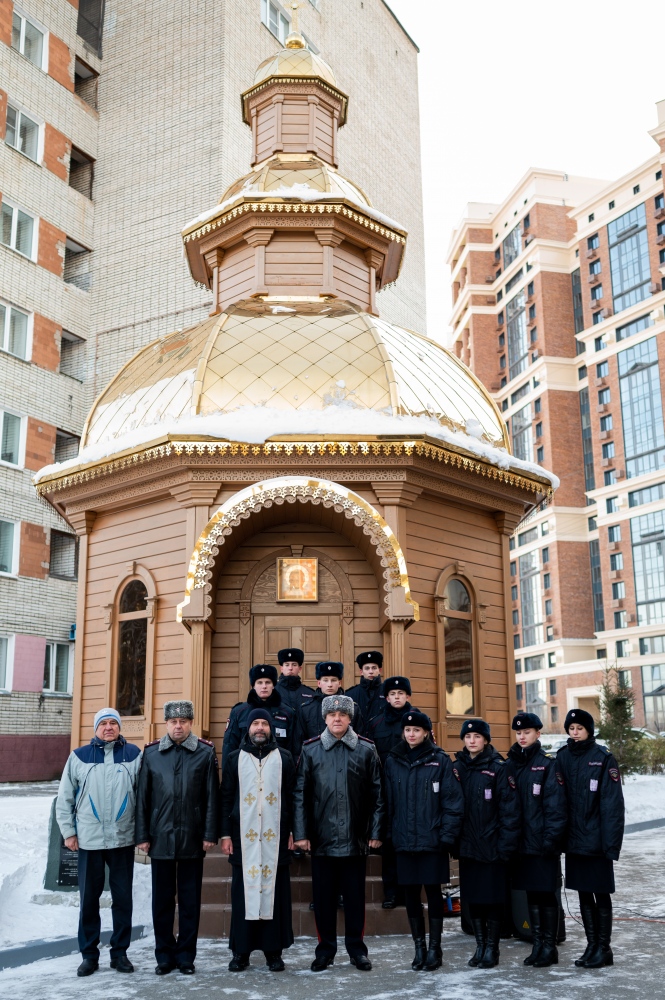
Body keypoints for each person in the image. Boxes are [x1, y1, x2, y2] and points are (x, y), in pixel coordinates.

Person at [293, 694, 384, 972]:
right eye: (332, 715)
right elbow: (300, 795)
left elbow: (378, 795)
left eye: (342, 715)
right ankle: (325, 951)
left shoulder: (366, 749)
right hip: (322, 839)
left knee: (355, 900)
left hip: (356, 839)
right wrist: (301, 833)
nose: (337, 719)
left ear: (349, 718)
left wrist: (375, 831)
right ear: (325, 718)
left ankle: (357, 951)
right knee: (323, 901)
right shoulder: (310, 750)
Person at [56, 707, 142, 977]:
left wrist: (142, 834)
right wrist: (69, 832)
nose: (108, 727)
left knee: (123, 899)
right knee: (89, 900)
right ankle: (89, 956)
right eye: (103, 723)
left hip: (122, 838)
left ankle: (120, 954)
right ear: (96, 728)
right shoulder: (79, 757)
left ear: (119, 727)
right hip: (89, 840)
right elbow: (64, 798)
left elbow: (143, 797)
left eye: (113, 723)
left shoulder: (134, 755)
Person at [135, 701, 219, 976]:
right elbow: (143, 798)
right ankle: (164, 956)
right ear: (166, 724)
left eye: (183, 721)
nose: (178, 726)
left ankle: (185, 957)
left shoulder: (205, 752)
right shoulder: (151, 753)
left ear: (191, 723)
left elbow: (211, 796)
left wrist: (209, 833)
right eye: (173, 722)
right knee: (162, 902)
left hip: (192, 838)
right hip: (160, 838)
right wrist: (142, 835)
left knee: (189, 902)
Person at [384, 711, 464, 971]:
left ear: (426, 733)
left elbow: (452, 802)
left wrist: (447, 836)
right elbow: (387, 801)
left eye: (417, 730)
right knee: (410, 895)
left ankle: (435, 948)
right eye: (408, 730)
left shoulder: (440, 760)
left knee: (432, 893)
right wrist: (389, 833)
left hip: (432, 840)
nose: (411, 734)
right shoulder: (393, 760)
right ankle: (419, 948)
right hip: (403, 840)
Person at [220, 709, 296, 972]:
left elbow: (292, 796)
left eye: (265, 723)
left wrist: (293, 831)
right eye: (256, 723)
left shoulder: (284, 758)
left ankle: (273, 952)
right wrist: (225, 834)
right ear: (248, 729)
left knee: (276, 896)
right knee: (244, 895)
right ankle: (241, 952)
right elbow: (226, 797)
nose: (260, 727)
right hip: (243, 839)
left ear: (271, 728)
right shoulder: (234, 758)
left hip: (276, 838)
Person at [556, 708, 625, 969]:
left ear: (589, 731)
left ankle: (604, 949)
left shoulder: (603, 758)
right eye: (571, 728)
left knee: (601, 893)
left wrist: (610, 844)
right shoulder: (562, 757)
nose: (575, 733)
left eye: (580, 728)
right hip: (574, 841)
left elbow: (612, 805)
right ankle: (591, 945)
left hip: (596, 842)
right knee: (584, 894)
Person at [454, 718, 520, 969]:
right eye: (468, 737)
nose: (472, 741)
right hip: (467, 846)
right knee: (474, 899)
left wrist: (505, 845)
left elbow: (509, 810)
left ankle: (492, 948)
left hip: (492, 846)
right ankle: (480, 946)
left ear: (485, 740)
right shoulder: (457, 767)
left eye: (477, 737)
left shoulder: (498, 768)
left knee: (492, 899)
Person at [506, 712, 567, 967]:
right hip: (521, 845)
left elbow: (556, 806)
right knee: (531, 894)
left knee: (546, 894)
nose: (522, 737)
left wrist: (551, 840)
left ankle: (549, 947)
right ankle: (538, 944)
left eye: (527, 732)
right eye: (519, 733)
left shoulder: (547, 764)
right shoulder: (511, 764)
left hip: (542, 844)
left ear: (538, 734)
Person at [366, 675, 416, 908]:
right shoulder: (376, 723)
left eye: (401, 694)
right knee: (389, 841)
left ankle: (408, 892)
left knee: (409, 842)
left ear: (408, 696)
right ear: (386, 698)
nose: (397, 697)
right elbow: (370, 756)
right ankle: (391, 893)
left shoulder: (418, 720)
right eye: (392, 694)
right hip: (385, 790)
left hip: (411, 788)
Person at [223, 665, 295, 765]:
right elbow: (229, 747)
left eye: (268, 682)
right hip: (245, 768)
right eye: (259, 682)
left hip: (278, 768)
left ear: (273, 685)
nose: (264, 686)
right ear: (253, 685)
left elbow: (293, 748)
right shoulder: (239, 712)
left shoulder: (287, 713)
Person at [294, 660, 362, 747]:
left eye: (333, 680)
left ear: (339, 683)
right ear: (319, 683)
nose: (330, 684)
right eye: (325, 680)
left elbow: (359, 739)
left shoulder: (352, 708)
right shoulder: (306, 709)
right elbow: (299, 742)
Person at [346, 651, 385, 733]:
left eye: (374, 668)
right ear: (361, 672)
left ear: (380, 670)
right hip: (357, 738)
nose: (371, 671)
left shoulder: (387, 693)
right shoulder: (350, 694)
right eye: (367, 668)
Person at [275, 648, 316, 713]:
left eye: (294, 665)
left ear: (300, 669)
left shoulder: (310, 693)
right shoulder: (273, 691)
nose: (290, 668)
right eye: (287, 665)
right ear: (281, 668)